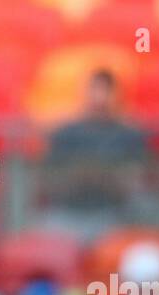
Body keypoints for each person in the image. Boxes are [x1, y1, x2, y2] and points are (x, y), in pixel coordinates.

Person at [42, 69, 150, 242]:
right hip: (67, 214)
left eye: (105, 91)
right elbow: (49, 182)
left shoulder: (129, 136)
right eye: (95, 90)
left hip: (112, 215)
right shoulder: (65, 134)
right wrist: (79, 176)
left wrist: (103, 178)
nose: (99, 98)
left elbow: (134, 183)